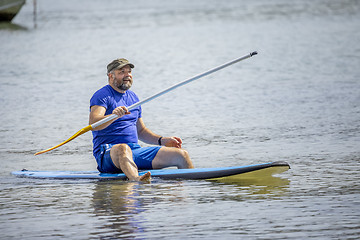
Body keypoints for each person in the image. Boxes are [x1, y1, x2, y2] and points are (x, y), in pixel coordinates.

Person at [89, 58, 194, 181]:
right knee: (123, 148)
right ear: (111, 76)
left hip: (134, 151)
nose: (127, 75)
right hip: (108, 154)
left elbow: (141, 131)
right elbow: (94, 123)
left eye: (129, 71)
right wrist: (113, 116)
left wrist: (162, 140)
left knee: (181, 155)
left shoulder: (133, 98)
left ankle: (194, 185)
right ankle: (136, 180)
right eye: (122, 72)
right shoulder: (102, 95)